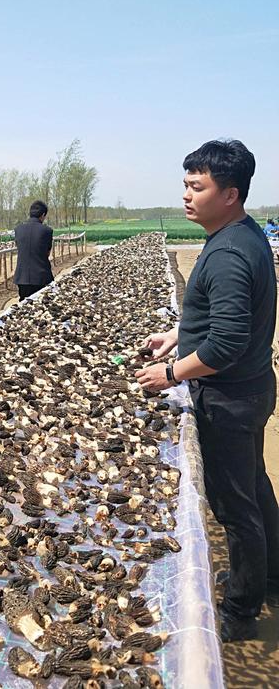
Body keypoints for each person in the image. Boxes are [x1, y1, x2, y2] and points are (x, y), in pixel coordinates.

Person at [135, 139, 279, 642]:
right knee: (255, 487)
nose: (186, 195)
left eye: (198, 187)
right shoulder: (244, 234)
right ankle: (270, 576)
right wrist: (179, 333)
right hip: (255, 388)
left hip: (231, 399)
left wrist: (172, 373)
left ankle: (242, 605)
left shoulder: (227, 254)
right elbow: (222, 319)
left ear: (230, 194)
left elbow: (228, 343)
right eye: (186, 185)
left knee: (234, 504)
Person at [13, 200, 54, 300]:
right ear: (43, 215)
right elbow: (47, 253)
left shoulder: (18, 229)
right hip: (41, 277)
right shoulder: (47, 231)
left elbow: (20, 248)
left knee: (23, 306)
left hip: (22, 278)